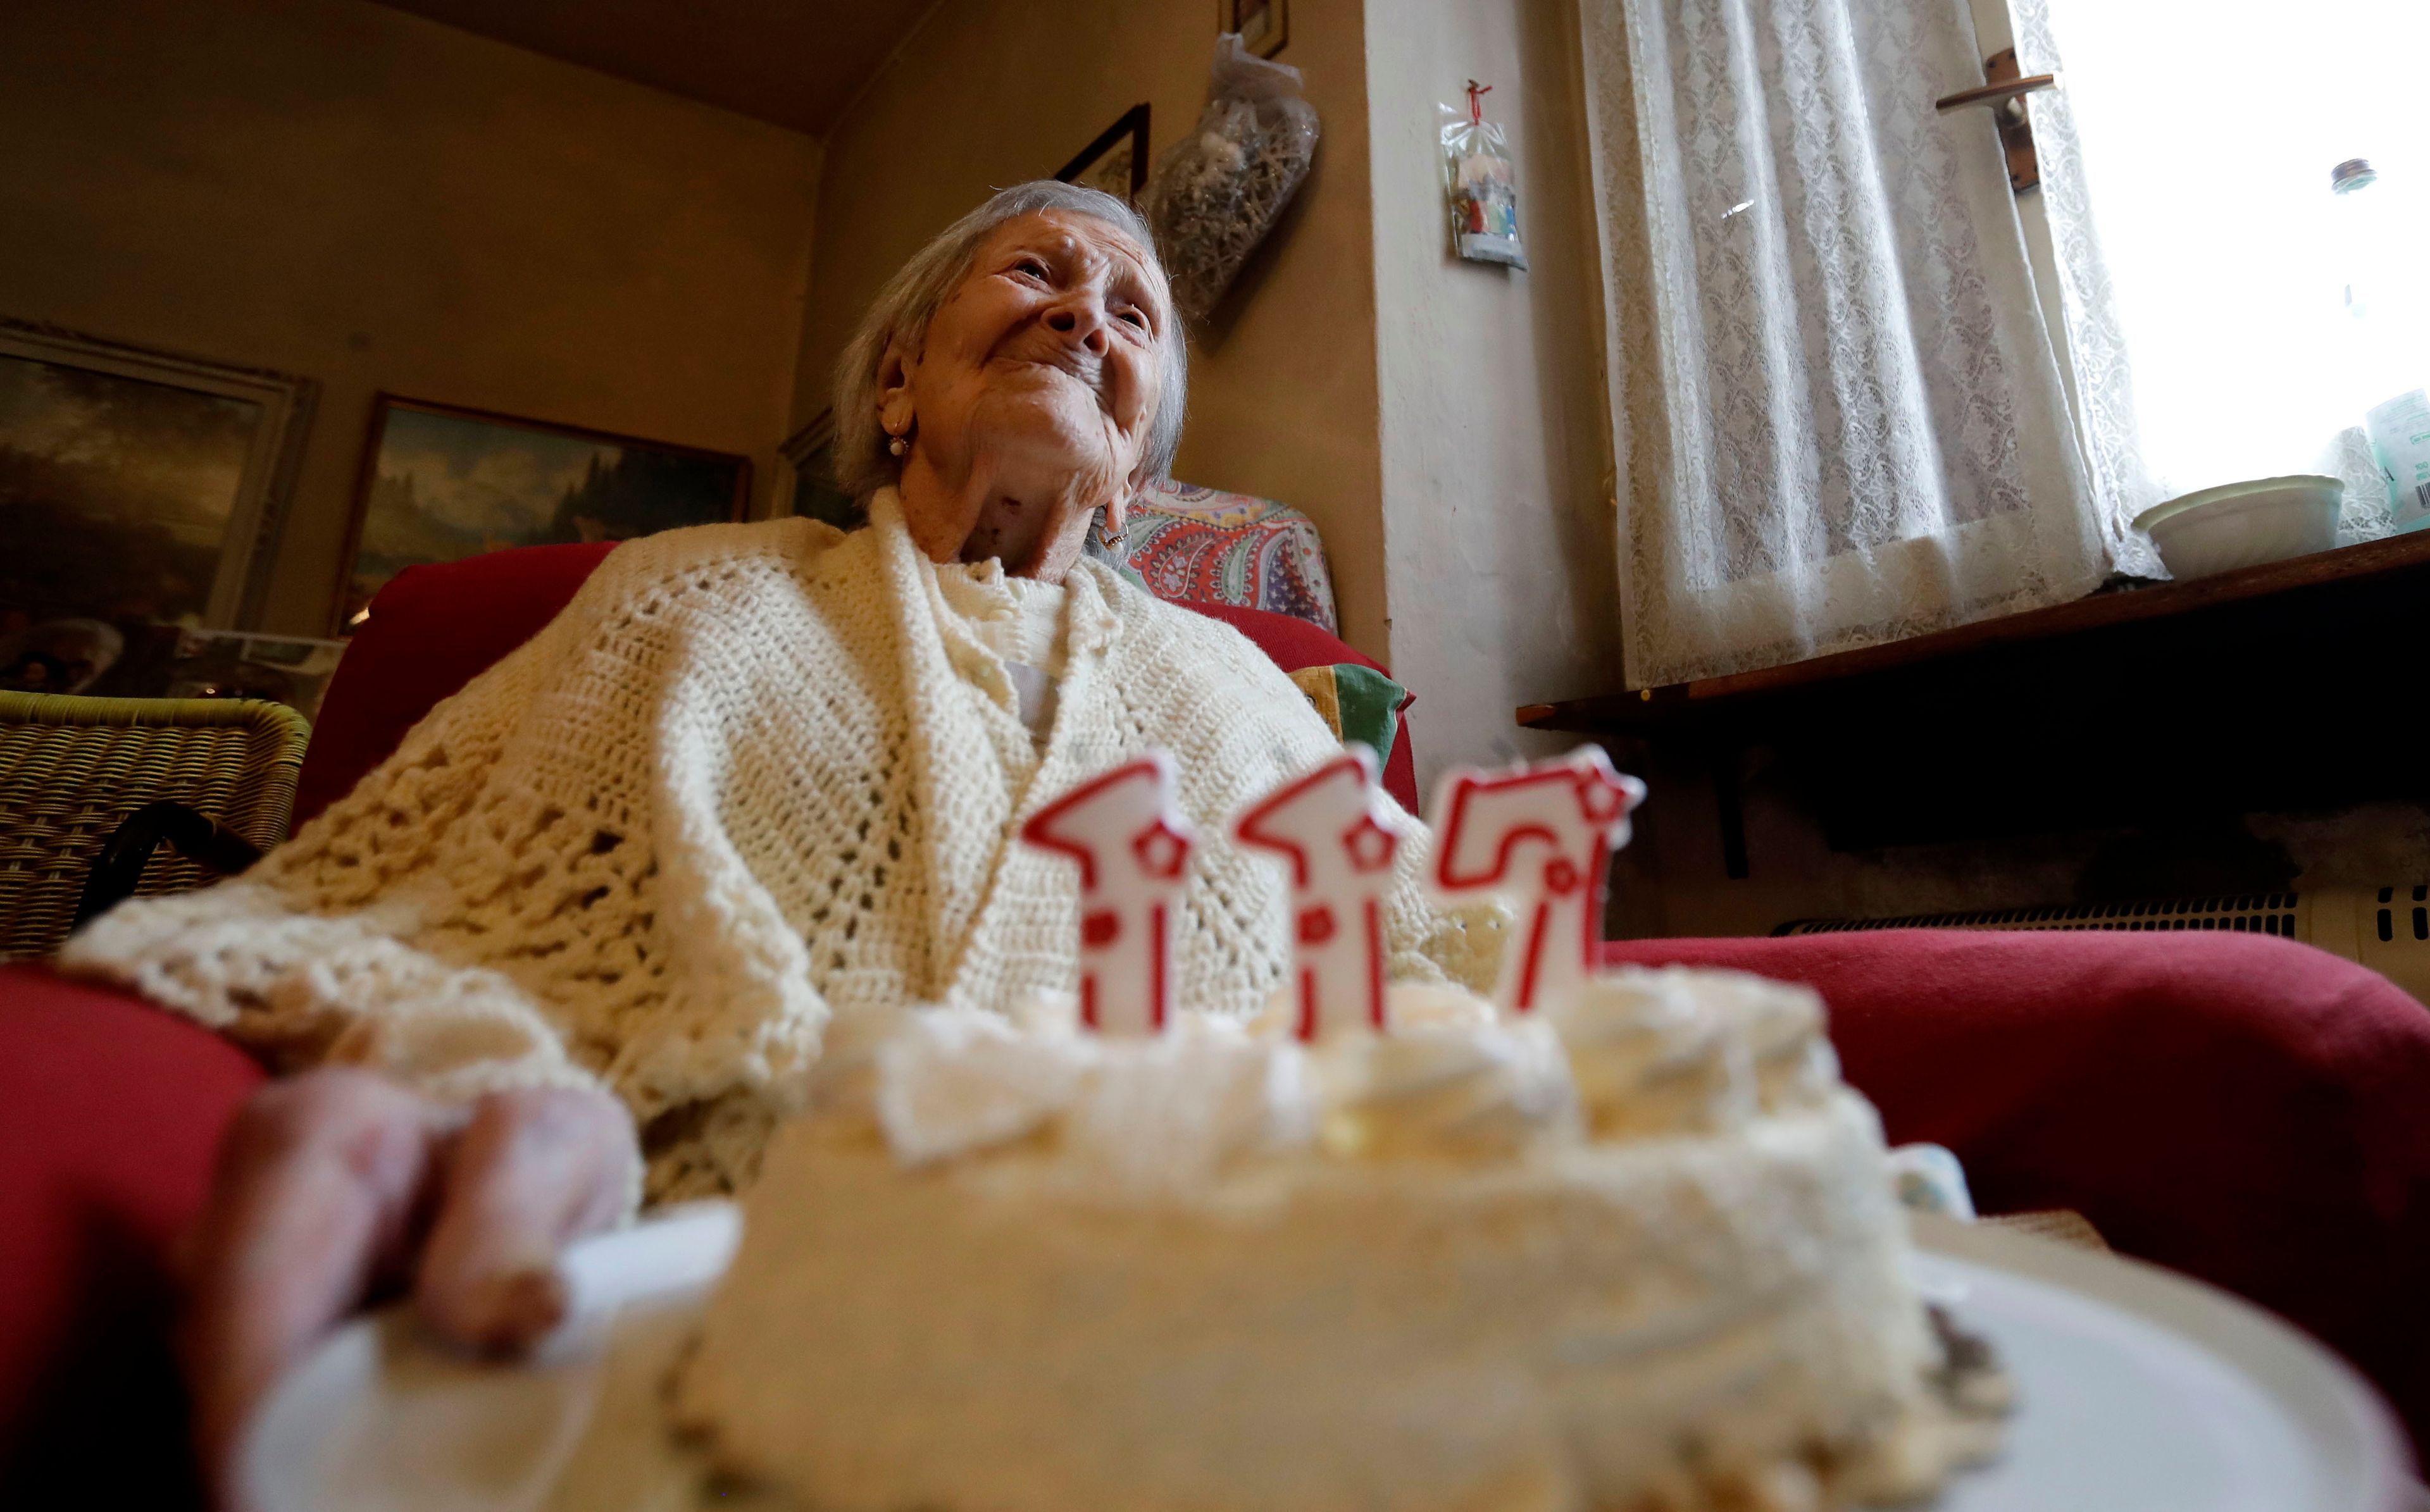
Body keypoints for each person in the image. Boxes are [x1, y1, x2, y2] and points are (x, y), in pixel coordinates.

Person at [54, 181, 1489, 1497]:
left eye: (1131, 314)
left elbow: (1455, 950)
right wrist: (485, 1080)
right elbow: (420, 922)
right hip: (690, 1298)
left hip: (1197, 1337)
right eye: (1034, 274)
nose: (1078, 313)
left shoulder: (1243, 688)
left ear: (1135, 469)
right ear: (895, 383)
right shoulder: (684, 596)